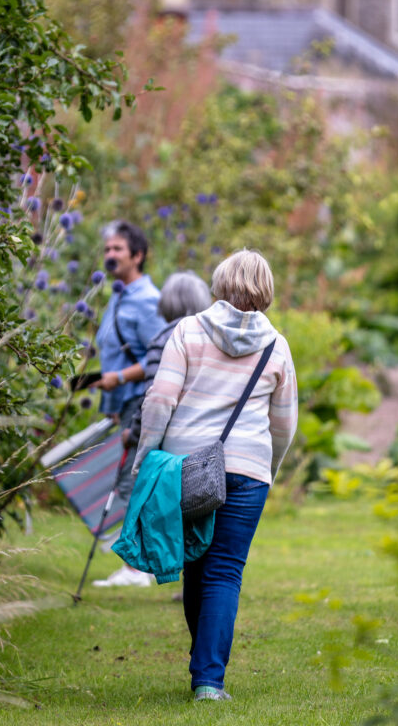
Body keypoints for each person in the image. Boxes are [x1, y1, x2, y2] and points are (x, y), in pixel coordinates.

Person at [132, 249, 298, 701]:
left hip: (187, 466)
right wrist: (268, 467)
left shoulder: (188, 330)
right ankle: (208, 679)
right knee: (225, 572)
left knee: (195, 567)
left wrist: (146, 454)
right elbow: (284, 424)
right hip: (248, 472)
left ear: (219, 284)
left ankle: (204, 666)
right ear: (266, 290)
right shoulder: (276, 345)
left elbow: (160, 400)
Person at [92, 220, 166, 588]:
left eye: (118, 249)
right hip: (122, 403)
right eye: (107, 249)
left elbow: (159, 358)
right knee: (127, 481)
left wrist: (119, 380)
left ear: (137, 255)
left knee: (133, 482)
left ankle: (137, 569)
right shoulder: (118, 296)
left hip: (141, 403)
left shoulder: (148, 301)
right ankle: (139, 563)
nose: (110, 255)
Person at [123, 270, 212, 457]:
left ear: (168, 302)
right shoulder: (213, 339)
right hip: (210, 445)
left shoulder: (163, 340)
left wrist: (133, 435)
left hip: (171, 449)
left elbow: (155, 398)